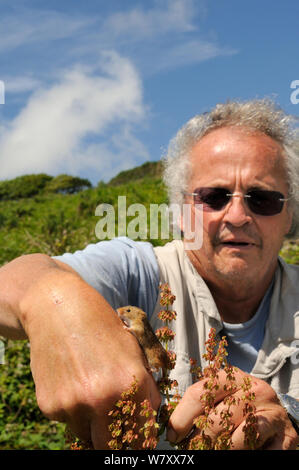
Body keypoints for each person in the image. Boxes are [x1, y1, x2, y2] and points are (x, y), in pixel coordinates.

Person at [0, 99, 298, 450]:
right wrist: (50, 302)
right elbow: (15, 280)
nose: (236, 216)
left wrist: (289, 414)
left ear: (290, 213)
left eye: (261, 199)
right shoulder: (138, 271)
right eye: (213, 197)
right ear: (179, 210)